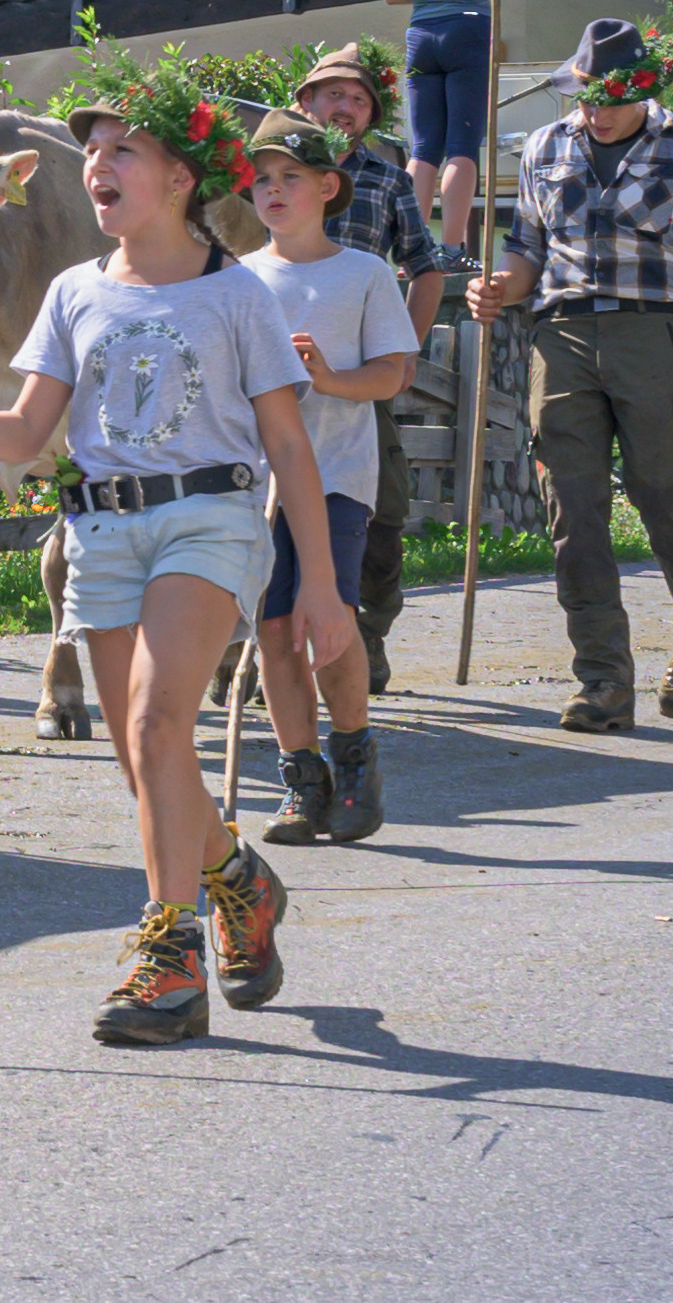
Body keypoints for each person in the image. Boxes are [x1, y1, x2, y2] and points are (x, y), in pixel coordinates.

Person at [0, 53, 356, 1047]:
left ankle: (168, 956)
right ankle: (238, 879)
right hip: (100, 531)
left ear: (180, 176)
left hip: (207, 520)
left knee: (153, 720)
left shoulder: (236, 296)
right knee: (146, 761)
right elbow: (22, 432)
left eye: (120, 150)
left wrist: (319, 583)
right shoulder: (72, 293)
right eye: (91, 149)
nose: (95, 163)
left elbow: (287, 445)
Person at [466, 18, 673, 731]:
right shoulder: (544, 146)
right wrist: (498, 287)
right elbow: (527, 250)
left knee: (663, 496)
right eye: (586, 96)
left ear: (642, 91)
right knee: (573, 511)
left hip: (651, 333)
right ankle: (602, 681)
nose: (595, 111)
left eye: (610, 99)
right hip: (559, 334)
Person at [238, 110, 420, 843]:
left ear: (327, 187)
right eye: (262, 180)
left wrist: (326, 378)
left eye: (291, 177)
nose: (274, 191)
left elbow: (392, 375)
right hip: (257, 484)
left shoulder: (364, 274)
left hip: (338, 475)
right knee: (274, 630)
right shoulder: (237, 279)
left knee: (329, 621)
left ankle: (354, 763)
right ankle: (301, 780)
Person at [294, 41, 446, 693]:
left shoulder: (387, 180)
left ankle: (367, 636)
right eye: (334, 94)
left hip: (356, 377)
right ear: (305, 100)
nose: (346, 107)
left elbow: (427, 267)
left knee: (381, 513)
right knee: (249, 506)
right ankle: (245, 649)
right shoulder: (264, 173)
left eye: (359, 100)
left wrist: (404, 348)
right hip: (270, 371)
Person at [381, 0, 508, 262]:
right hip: (467, 30)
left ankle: (413, 251)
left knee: (423, 148)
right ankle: (452, 248)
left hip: (421, 35)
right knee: (462, 145)